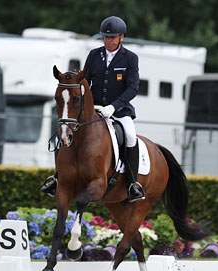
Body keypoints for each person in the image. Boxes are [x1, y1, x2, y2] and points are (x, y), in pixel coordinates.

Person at [41, 16, 145, 203]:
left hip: (118, 111)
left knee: (130, 136)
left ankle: (132, 184)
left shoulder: (130, 58)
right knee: (63, 135)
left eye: (112, 37)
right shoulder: (94, 55)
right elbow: (85, 82)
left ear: (121, 37)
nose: (108, 41)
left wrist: (113, 107)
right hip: (92, 110)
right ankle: (57, 177)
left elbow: (133, 87)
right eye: (105, 37)